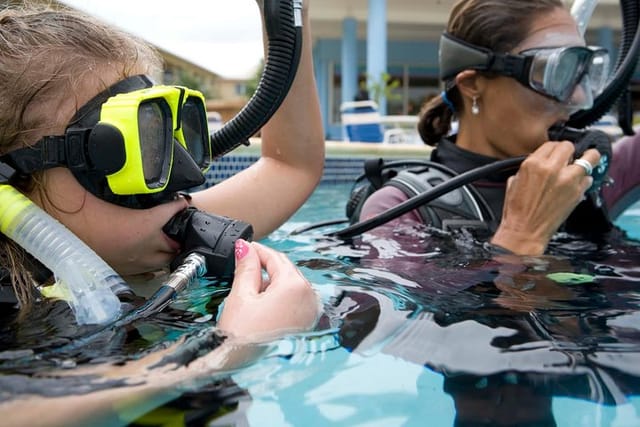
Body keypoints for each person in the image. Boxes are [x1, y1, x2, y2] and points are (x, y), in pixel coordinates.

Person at [0, 1, 322, 424]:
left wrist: (288, 11)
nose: (186, 178)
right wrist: (228, 348)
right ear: (18, 183)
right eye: (142, 151)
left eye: (169, 137)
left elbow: (291, 166)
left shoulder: (143, 232)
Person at [358, 0, 629, 256]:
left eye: (580, 74)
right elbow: (394, 306)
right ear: (472, 85)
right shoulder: (400, 209)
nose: (580, 99)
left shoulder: (583, 180)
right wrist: (522, 236)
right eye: (554, 73)